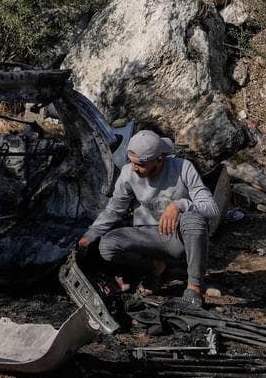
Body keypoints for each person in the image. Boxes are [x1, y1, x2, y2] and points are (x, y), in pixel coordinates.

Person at [77, 130, 217, 307]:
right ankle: (156, 266)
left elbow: (212, 208)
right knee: (107, 245)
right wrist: (91, 234)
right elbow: (114, 209)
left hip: (179, 238)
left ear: (159, 159)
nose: (134, 168)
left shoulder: (183, 168)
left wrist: (179, 205)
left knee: (194, 219)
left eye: (140, 164)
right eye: (131, 162)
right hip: (147, 237)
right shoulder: (128, 173)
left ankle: (194, 288)